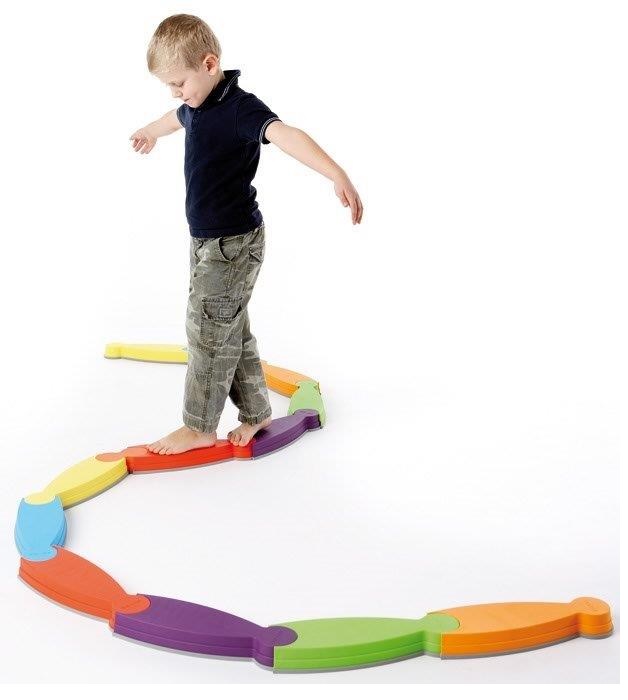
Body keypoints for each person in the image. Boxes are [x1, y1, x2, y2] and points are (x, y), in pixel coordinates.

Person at [130, 14, 363, 455]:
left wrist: (336, 173)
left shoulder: (240, 108)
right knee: (229, 326)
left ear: (209, 64)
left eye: (179, 83)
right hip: (205, 240)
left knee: (207, 330)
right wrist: (149, 132)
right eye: (169, 86)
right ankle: (256, 412)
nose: (176, 93)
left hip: (233, 244)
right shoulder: (195, 105)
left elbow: (287, 135)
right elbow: (174, 118)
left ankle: (199, 426)